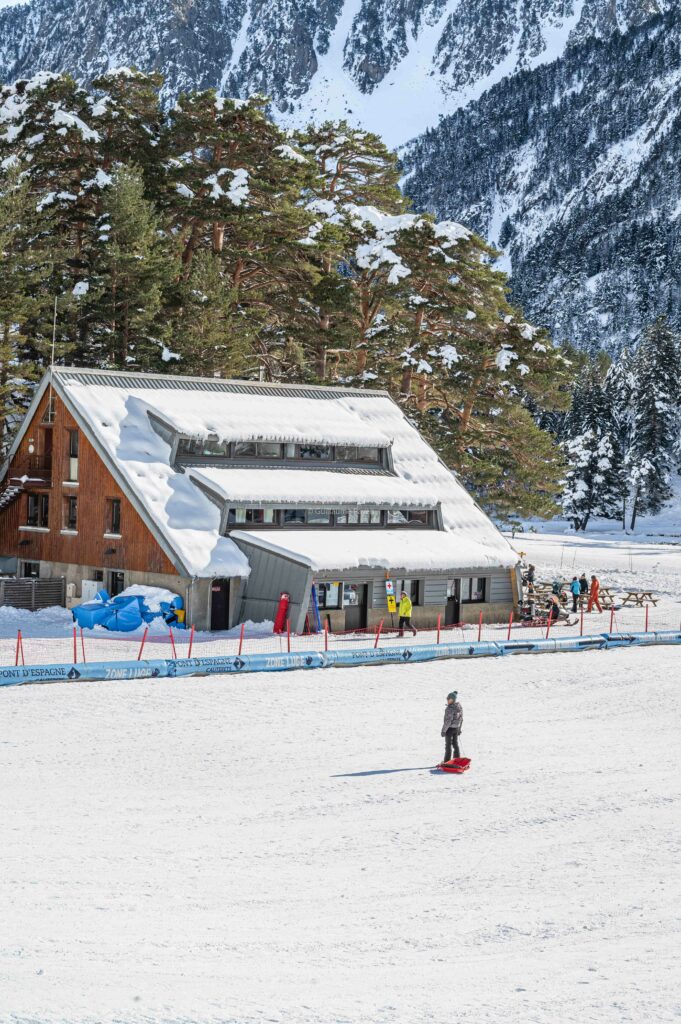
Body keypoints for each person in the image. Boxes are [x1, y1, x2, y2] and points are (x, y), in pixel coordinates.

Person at [441, 691, 463, 762]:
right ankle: (457, 759)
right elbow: (461, 719)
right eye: (447, 699)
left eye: (449, 699)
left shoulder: (450, 708)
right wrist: (459, 729)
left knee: (448, 745)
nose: (447, 700)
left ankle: (447, 761)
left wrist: (444, 731)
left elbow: (448, 721)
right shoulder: (458, 707)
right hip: (456, 728)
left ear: (453, 700)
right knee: (455, 743)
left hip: (449, 729)